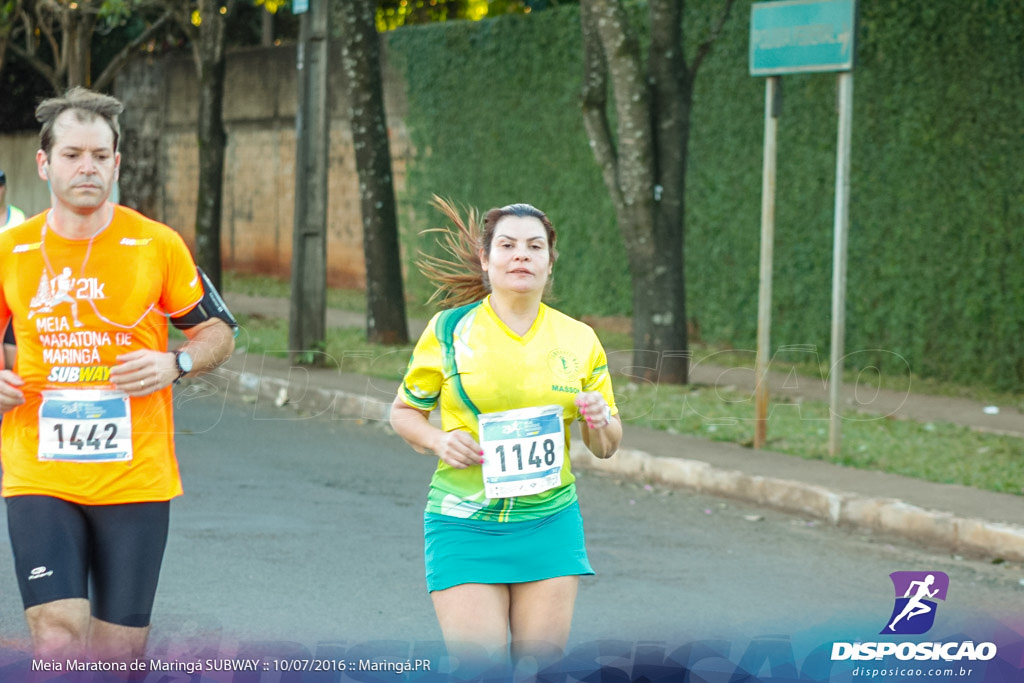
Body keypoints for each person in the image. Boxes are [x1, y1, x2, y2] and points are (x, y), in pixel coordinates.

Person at [0, 87, 236, 663]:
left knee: (117, 655)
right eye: (73, 154)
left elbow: (218, 334)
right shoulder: (11, 250)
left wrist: (174, 363)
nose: (87, 167)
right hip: (38, 472)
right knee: (56, 635)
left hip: (135, 479)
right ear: (44, 162)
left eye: (100, 156)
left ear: (117, 163)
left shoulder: (156, 245)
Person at [389, 197, 622, 666]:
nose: (522, 255)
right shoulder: (449, 330)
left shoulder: (579, 339)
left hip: (549, 523)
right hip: (464, 521)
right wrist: (438, 440)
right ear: (486, 259)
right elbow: (404, 412)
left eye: (535, 246)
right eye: (508, 245)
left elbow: (606, 446)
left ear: (549, 262)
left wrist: (599, 420)